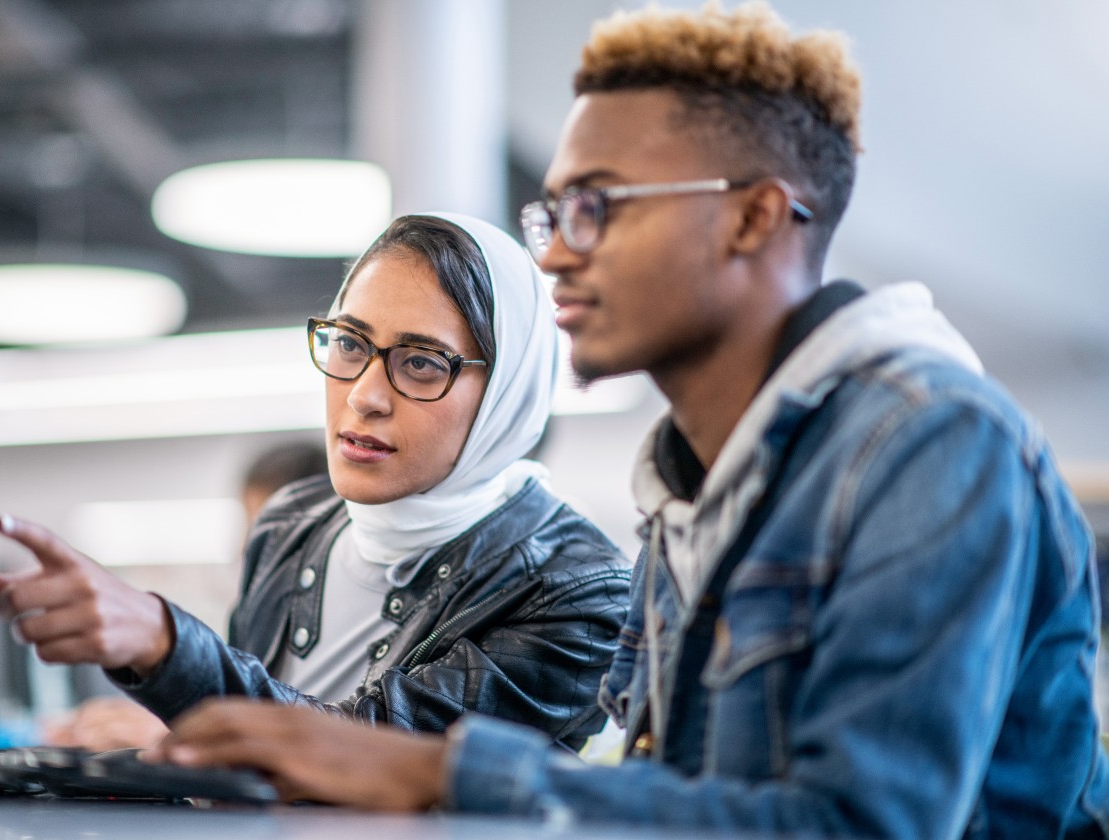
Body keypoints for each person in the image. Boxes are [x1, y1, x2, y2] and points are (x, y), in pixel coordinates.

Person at [143, 4, 1109, 837]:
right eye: (554, 211)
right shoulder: (691, 488)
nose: (558, 255)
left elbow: (858, 826)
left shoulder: (932, 445)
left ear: (754, 218)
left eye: (601, 206)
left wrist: (438, 771)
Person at [0, 212, 631, 749]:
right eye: (348, 343)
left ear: (505, 394)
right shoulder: (292, 522)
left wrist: (167, 647)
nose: (365, 395)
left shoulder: (580, 592)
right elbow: (248, 775)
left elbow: (380, 755)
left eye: (422, 363)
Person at [41, 440, 329, 752]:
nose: (249, 550)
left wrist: (182, 736)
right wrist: (171, 719)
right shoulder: (259, 622)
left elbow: (320, 745)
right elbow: (251, 708)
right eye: (252, 534)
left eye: (272, 539)